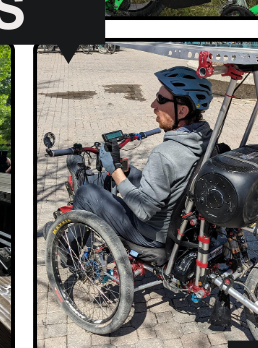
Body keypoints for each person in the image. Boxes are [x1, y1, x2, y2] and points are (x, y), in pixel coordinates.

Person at [69, 66, 213, 247]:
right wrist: (120, 173)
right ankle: (92, 180)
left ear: (182, 111)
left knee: (86, 193)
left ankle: (67, 250)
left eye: (160, 100)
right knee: (133, 173)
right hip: (181, 226)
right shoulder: (207, 141)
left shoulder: (164, 154)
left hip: (151, 233)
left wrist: (114, 170)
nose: (153, 105)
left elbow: (143, 210)